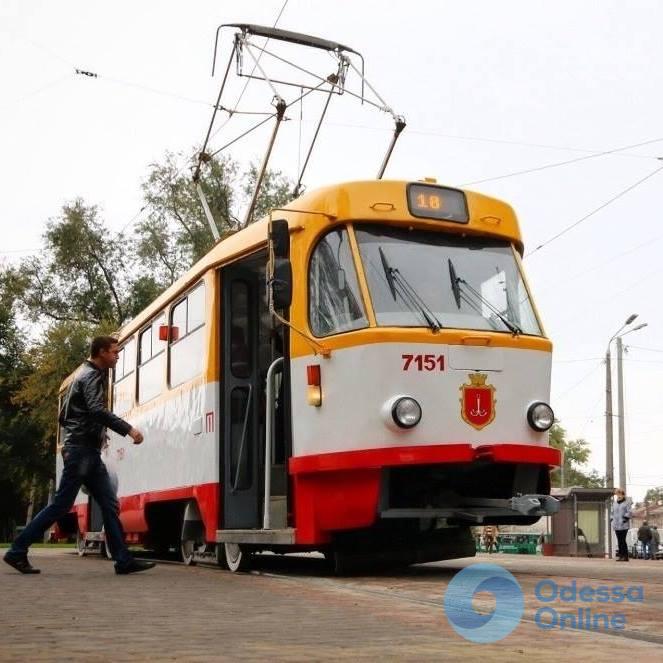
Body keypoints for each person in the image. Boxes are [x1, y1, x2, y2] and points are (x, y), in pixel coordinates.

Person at [3, 336, 155, 576]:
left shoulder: (80, 376)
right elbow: (96, 410)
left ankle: (123, 560)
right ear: (101, 352)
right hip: (82, 452)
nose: (117, 356)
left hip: (84, 450)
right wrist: (129, 430)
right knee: (62, 505)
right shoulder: (92, 376)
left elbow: (64, 416)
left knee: (108, 503)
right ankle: (17, 550)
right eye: (114, 352)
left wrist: (91, 434)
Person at [611, 488, 632, 562]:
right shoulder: (614, 503)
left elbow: (629, 512)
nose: (618, 496)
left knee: (623, 540)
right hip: (616, 525)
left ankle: (625, 556)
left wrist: (625, 518)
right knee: (619, 541)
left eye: (620, 494)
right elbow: (612, 512)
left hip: (623, 525)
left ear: (623, 494)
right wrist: (612, 519)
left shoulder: (627, 502)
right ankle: (621, 556)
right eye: (617, 494)